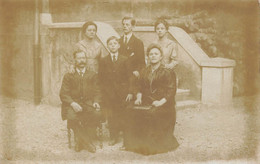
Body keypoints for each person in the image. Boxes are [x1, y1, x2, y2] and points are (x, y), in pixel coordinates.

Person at [125, 43, 179, 155]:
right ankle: (135, 143)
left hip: (165, 104)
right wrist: (139, 97)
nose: (153, 56)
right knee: (130, 110)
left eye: (156, 54)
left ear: (160, 57)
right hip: (147, 101)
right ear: (148, 57)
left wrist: (160, 102)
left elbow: (171, 91)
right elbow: (139, 86)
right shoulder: (145, 71)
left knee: (153, 113)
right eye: (151, 54)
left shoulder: (168, 71)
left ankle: (152, 144)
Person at [60, 50, 103, 153]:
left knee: (97, 114)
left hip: (88, 103)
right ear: (75, 60)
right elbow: (63, 94)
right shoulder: (68, 76)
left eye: (83, 58)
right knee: (72, 117)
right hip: (73, 104)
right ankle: (88, 143)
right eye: (79, 58)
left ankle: (80, 141)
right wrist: (72, 103)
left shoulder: (92, 74)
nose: (82, 60)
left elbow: (98, 91)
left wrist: (96, 101)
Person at [99, 36, 133, 146]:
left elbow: (130, 77)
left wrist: (130, 92)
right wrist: (104, 93)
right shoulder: (104, 60)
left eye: (115, 43)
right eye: (110, 44)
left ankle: (125, 137)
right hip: (109, 94)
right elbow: (101, 78)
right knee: (111, 116)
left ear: (118, 46)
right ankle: (113, 136)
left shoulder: (125, 59)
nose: (113, 45)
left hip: (122, 93)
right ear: (107, 46)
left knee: (122, 114)